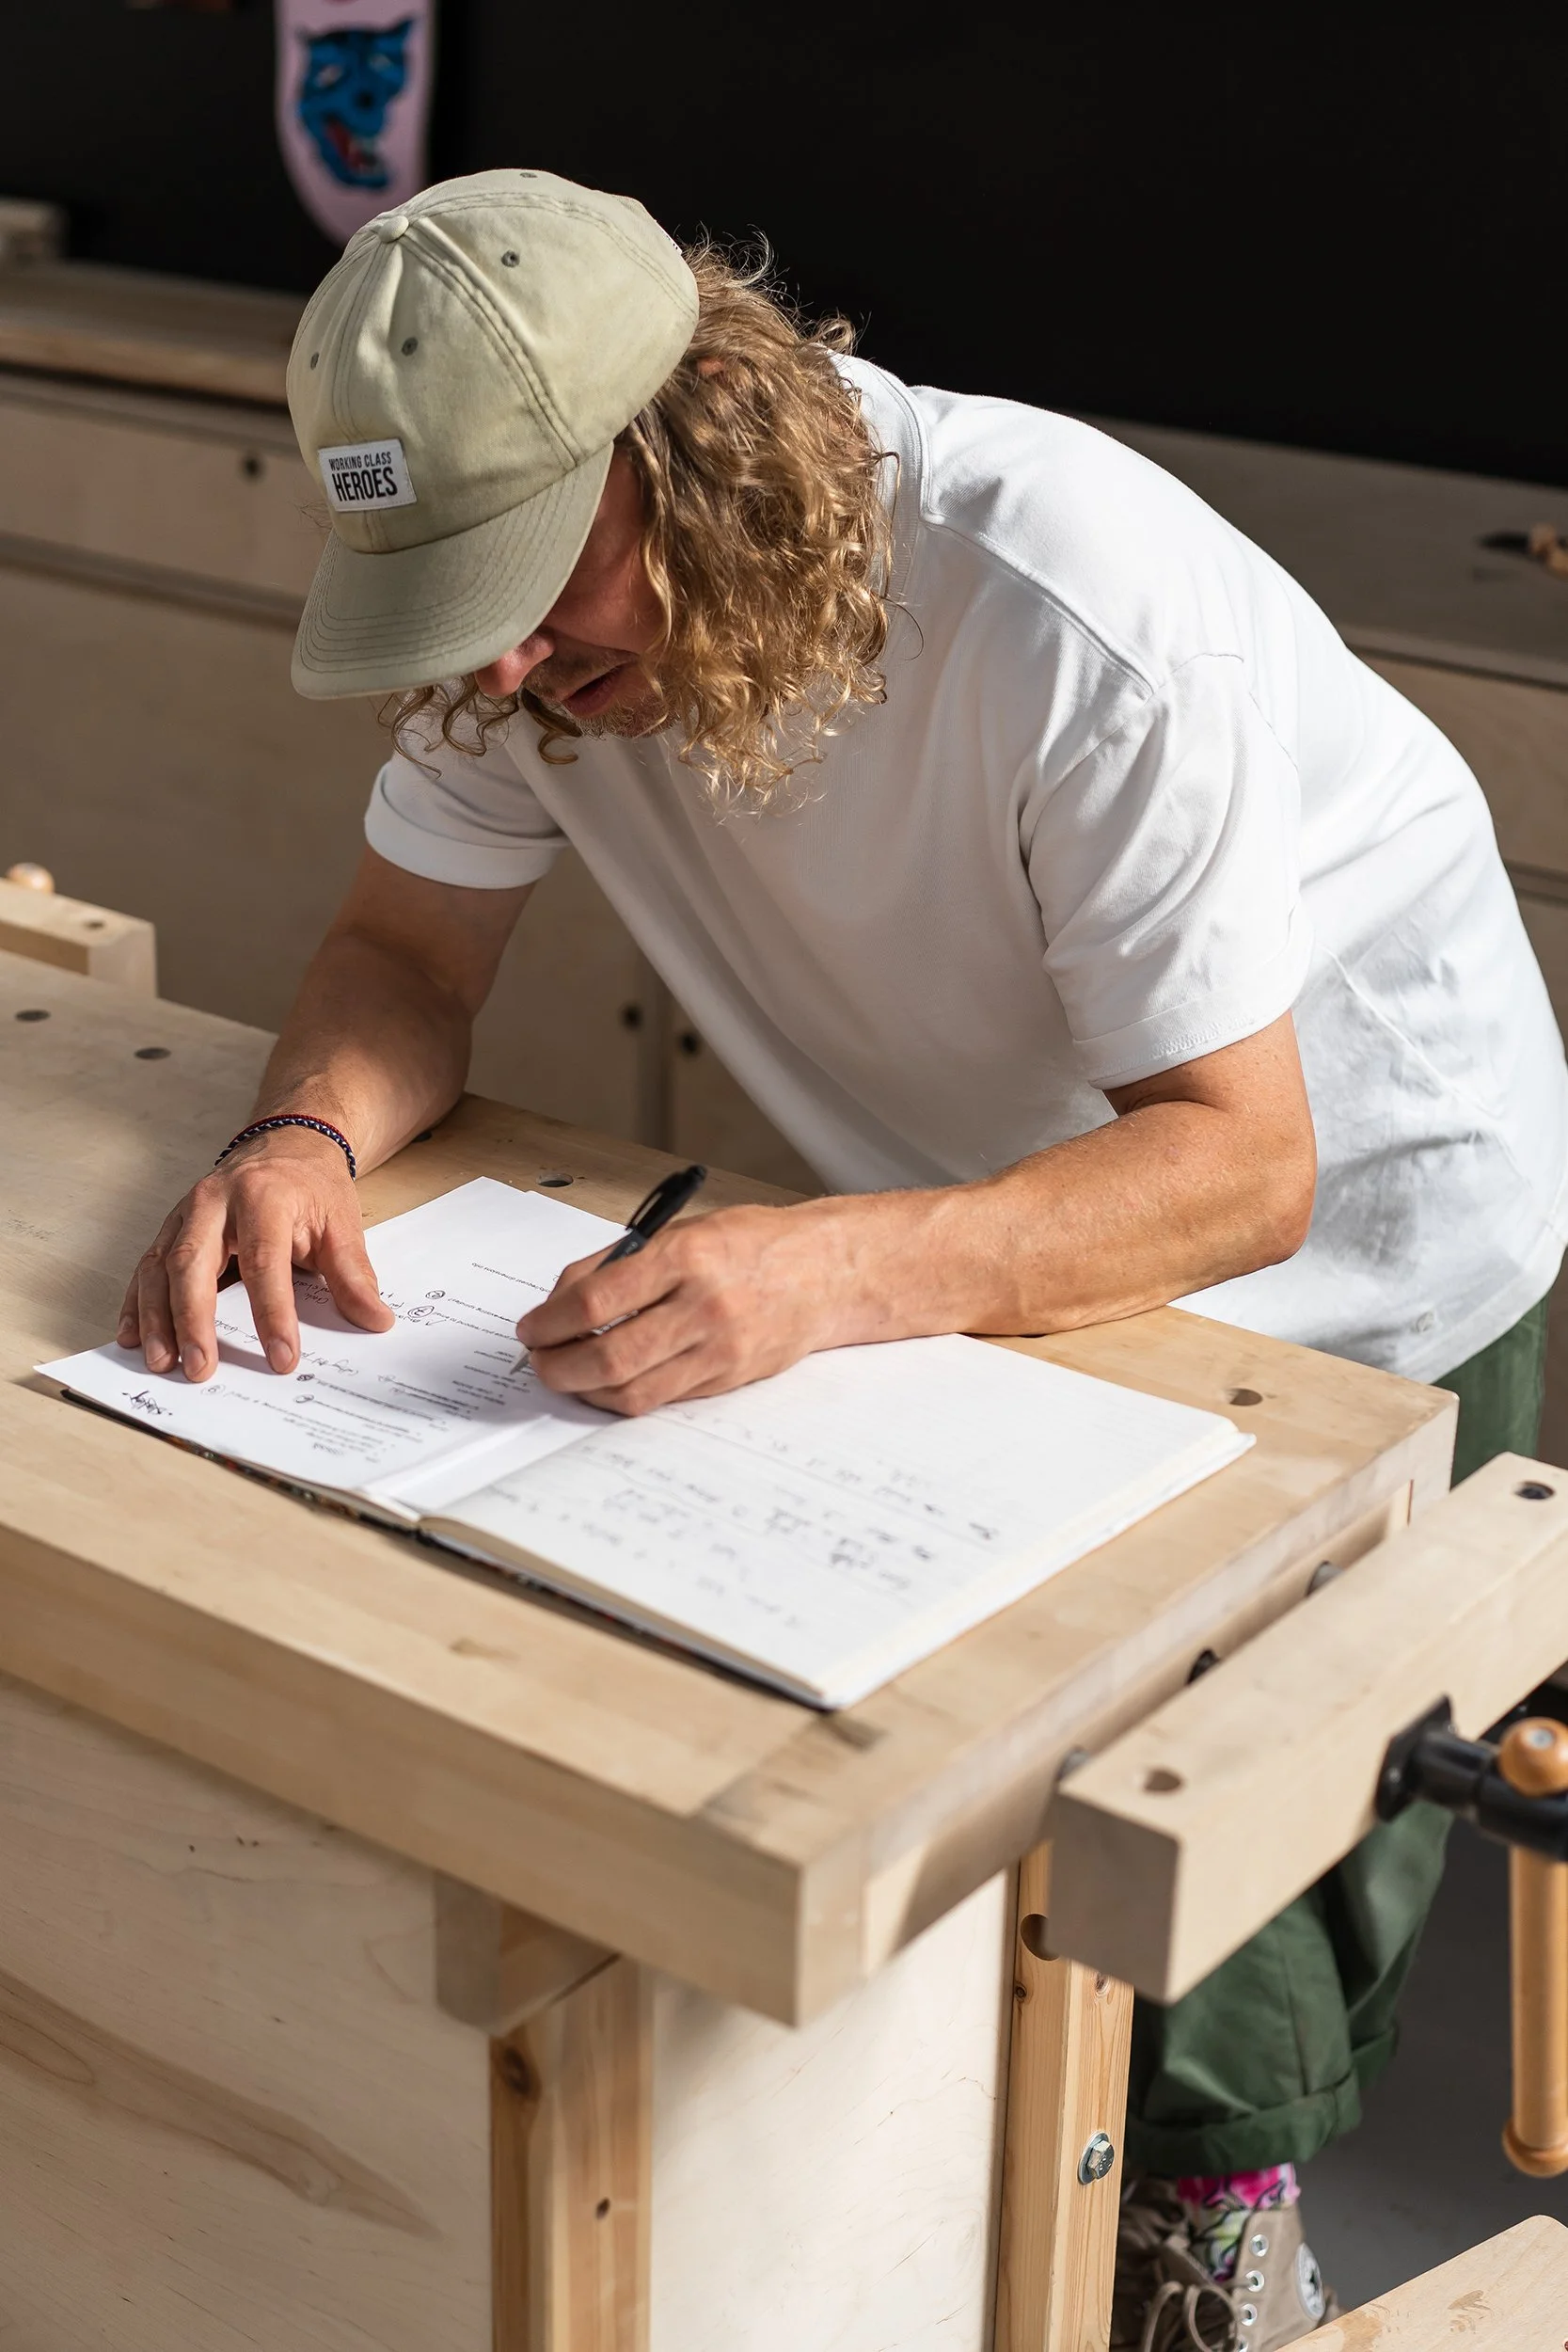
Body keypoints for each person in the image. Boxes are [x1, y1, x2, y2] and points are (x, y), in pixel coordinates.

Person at [120, 171, 1566, 2349]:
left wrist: (830, 1274)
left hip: (1348, 1211)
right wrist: (302, 1127)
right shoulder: (524, 648)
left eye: (535, 592)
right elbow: (400, 950)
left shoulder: (1057, 592)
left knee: (1196, 1847)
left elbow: (1232, 1171)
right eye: (459, 604)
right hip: (987, 1187)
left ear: (700, 442)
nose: (506, 663)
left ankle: (1215, 2243)